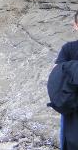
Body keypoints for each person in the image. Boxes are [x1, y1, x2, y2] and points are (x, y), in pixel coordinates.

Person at [54, 10, 78, 149]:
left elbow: (59, 75)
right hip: (72, 105)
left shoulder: (67, 49)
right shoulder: (68, 49)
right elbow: (57, 76)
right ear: (75, 25)